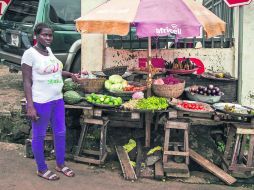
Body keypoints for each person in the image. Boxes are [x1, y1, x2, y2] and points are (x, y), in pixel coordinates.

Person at [21, 22, 77, 181]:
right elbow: (26, 81)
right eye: (44, 34)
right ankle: (41, 168)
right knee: (39, 135)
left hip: (57, 99)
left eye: (50, 35)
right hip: (41, 101)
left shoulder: (49, 51)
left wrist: (70, 74)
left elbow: (55, 71)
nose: (48, 37)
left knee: (60, 132)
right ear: (36, 35)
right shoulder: (29, 54)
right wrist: (30, 105)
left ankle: (60, 164)